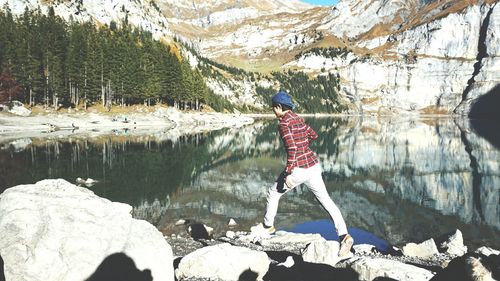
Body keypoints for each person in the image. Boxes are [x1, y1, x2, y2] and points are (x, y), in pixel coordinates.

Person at [251, 91, 354, 256]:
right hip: (313, 165)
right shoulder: (298, 119)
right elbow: (313, 135)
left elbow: (292, 149)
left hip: (298, 169)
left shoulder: (284, 123)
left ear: (279, 107)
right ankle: (344, 235)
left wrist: (289, 173)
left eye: (273, 108)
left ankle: (268, 226)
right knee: (327, 201)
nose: (273, 111)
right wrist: (304, 146)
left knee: (273, 193)